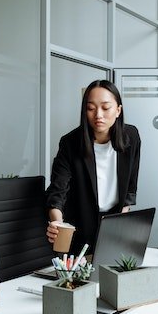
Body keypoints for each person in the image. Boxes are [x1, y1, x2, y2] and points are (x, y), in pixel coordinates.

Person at [45, 79, 141, 255]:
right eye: (90, 108)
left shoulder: (131, 137)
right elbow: (57, 191)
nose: (98, 115)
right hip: (79, 225)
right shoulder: (70, 143)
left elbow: (130, 186)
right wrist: (57, 222)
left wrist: (122, 218)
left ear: (118, 110)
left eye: (106, 108)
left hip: (114, 224)